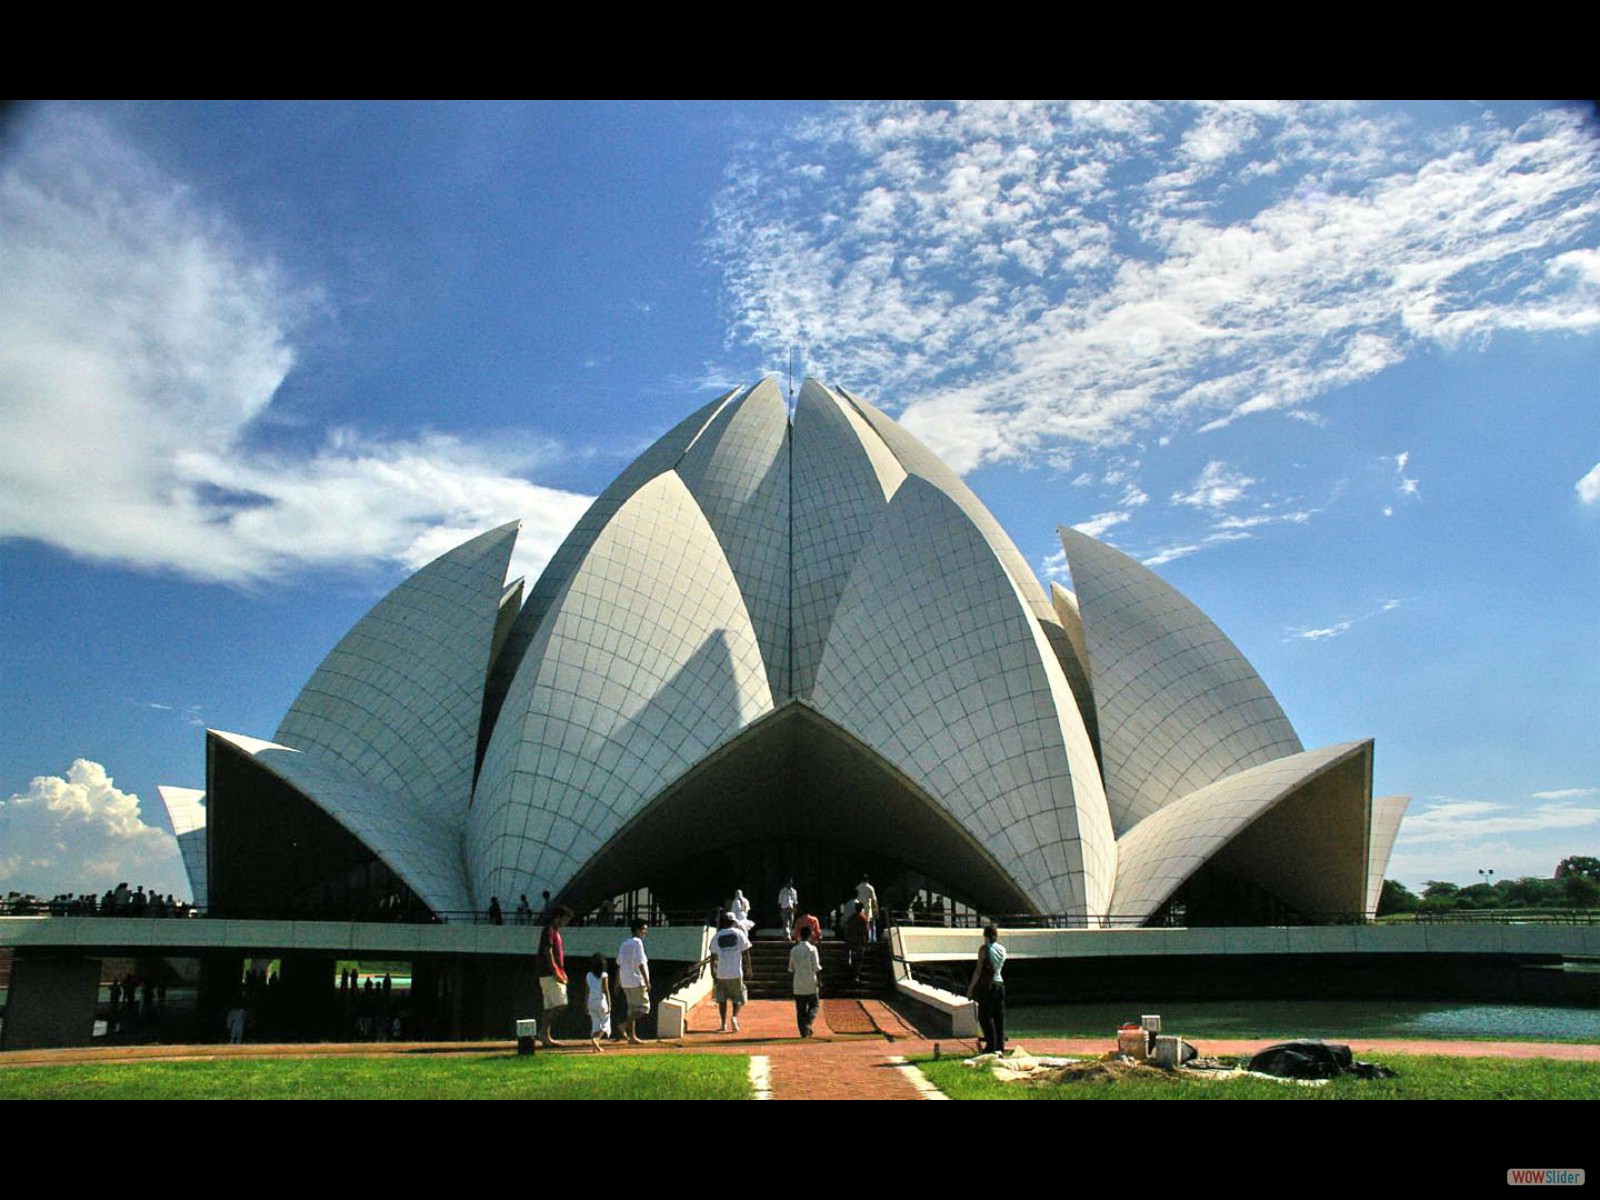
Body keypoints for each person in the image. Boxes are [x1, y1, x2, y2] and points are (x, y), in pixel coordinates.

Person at [966, 923, 1008, 1056]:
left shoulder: (984, 949)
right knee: (998, 1017)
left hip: (988, 986)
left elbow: (978, 971)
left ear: (986, 935)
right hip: (1000, 984)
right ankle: (1000, 1047)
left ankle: (991, 1045)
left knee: (984, 1016)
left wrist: (971, 988)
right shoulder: (1002, 949)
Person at [709, 912, 752, 1033]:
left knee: (721, 999)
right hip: (736, 972)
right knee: (737, 998)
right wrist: (748, 968)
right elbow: (746, 952)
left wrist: (713, 970)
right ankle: (734, 1017)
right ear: (733, 922)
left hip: (722, 972)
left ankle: (723, 1024)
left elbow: (713, 955)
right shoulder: (739, 934)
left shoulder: (718, 935)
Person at [537, 904, 573, 1047]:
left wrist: (561, 972)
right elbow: (548, 951)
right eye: (565, 919)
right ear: (559, 917)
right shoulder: (549, 930)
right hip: (549, 973)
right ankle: (542, 1031)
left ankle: (546, 1036)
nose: (566, 923)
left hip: (551, 973)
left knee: (550, 1006)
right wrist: (556, 972)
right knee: (561, 1003)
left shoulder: (554, 931)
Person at [616, 919, 652, 1044]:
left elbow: (619, 964)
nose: (645, 932)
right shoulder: (638, 943)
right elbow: (640, 963)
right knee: (644, 1007)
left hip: (626, 981)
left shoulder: (624, 943)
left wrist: (618, 981)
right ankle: (623, 1025)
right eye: (644, 929)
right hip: (636, 980)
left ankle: (632, 1037)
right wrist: (647, 981)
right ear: (637, 930)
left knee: (632, 1009)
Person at [788, 922, 822, 1038]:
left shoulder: (794, 950)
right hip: (811, 982)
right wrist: (820, 981)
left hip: (798, 983)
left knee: (800, 1009)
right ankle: (807, 1023)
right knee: (815, 1005)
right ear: (809, 936)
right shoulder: (812, 949)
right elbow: (816, 967)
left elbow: (791, 968)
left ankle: (804, 1031)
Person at [585, 952, 611, 1053]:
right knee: (605, 1023)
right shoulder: (604, 975)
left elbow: (587, 991)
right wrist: (609, 1004)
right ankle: (596, 1039)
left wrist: (586, 1004)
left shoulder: (588, 975)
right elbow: (606, 990)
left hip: (591, 1002)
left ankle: (595, 1047)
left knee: (595, 1023)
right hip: (601, 1001)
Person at [845, 901, 869, 978]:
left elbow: (848, 928)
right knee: (858, 959)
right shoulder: (863, 918)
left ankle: (853, 972)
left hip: (852, 940)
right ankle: (856, 974)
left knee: (853, 957)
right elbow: (866, 931)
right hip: (860, 941)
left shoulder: (852, 918)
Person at [855, 875, 879, 943]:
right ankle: (872, 940)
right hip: (868, 908)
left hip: (859, 908)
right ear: (868, 880)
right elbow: (874, 900)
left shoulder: (857, 887)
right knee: (871, 925)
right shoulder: (870, 888)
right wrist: (876, 911)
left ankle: (861, 939)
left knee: (860, 924)